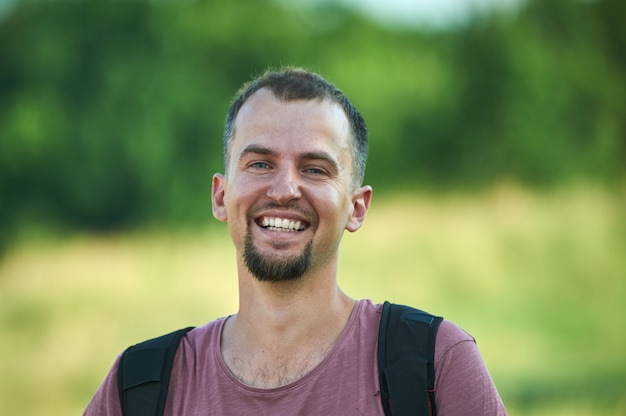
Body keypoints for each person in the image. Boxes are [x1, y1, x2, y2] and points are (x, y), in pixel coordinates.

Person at [84, 67, 507, 415]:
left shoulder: (433, 364)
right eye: (261, 163)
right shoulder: (140, 386)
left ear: (356, 208)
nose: (284, 188)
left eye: (315, 169)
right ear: (220, 195)